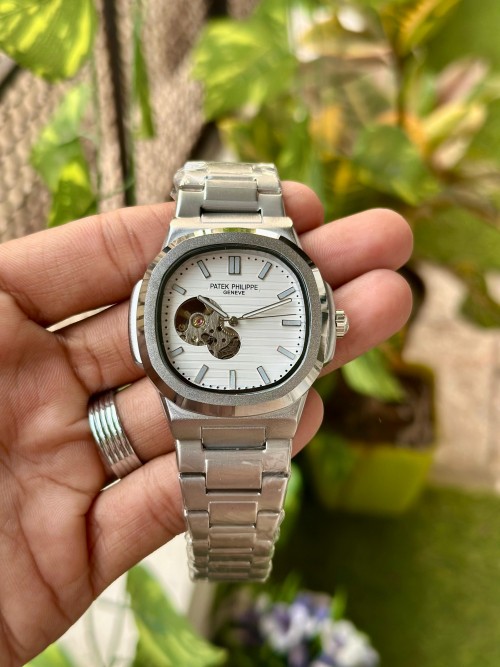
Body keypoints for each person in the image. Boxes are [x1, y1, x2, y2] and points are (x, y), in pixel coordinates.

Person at [0, 182, 413, 667]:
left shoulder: (277, 293)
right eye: (214, 322)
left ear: (327, 328)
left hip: (262, 397)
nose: (222, 325)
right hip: (201, 396)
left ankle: (238, 567)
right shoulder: (177, 317)